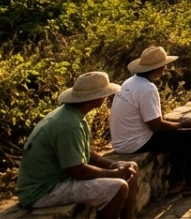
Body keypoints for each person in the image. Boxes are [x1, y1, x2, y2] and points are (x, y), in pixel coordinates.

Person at [17, 72, 137, 218]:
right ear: (96, 97)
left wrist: (113, 166)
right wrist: (113, 174)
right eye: (104, 94)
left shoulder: (73, 114)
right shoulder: (69, 124)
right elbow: (76, 170)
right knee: (118, 187)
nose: (106, 98)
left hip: (55, 181)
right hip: (43, 190)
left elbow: (85, 152)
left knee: (131, 167)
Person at [111, 47, 191, 197]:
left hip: (122, 140)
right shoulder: (147, 88)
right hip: (135, 142)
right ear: (158, 67)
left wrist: (178, 127)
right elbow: (156, 125)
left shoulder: (129, 82)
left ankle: (176, 179)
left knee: (178, 136)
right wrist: (181, 125)